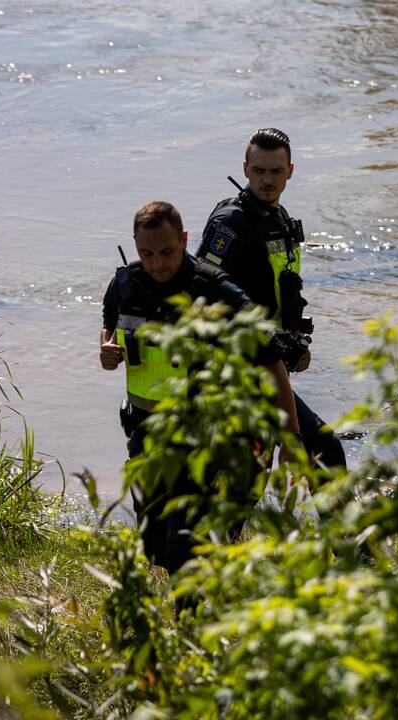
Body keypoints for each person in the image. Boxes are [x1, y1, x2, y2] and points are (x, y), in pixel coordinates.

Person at [100, 201, 301, 574]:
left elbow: (271, 359)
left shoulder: (216, 291)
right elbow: (111, 323)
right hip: (149, 434)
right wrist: (107, 348)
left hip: (208, 437)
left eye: (167, 252)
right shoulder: (126, 285)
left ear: (184, 239)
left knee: (184, 545)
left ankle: (192, 625)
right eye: (147, 253)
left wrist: (290, 438)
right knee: (155, 546)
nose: (157, 263)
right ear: (134, 244)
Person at [196, 127, 347, 468]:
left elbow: (281, 291)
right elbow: (202, 295)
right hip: (238, 372)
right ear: (246, 169)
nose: (267, 180)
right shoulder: (230, 223)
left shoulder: (277, 218)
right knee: (319, 451)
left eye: (276, 171)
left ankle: (336, 522)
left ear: (290, 172)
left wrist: (293, 341)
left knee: (296, 459)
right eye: (259, 170)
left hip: (270, 365)